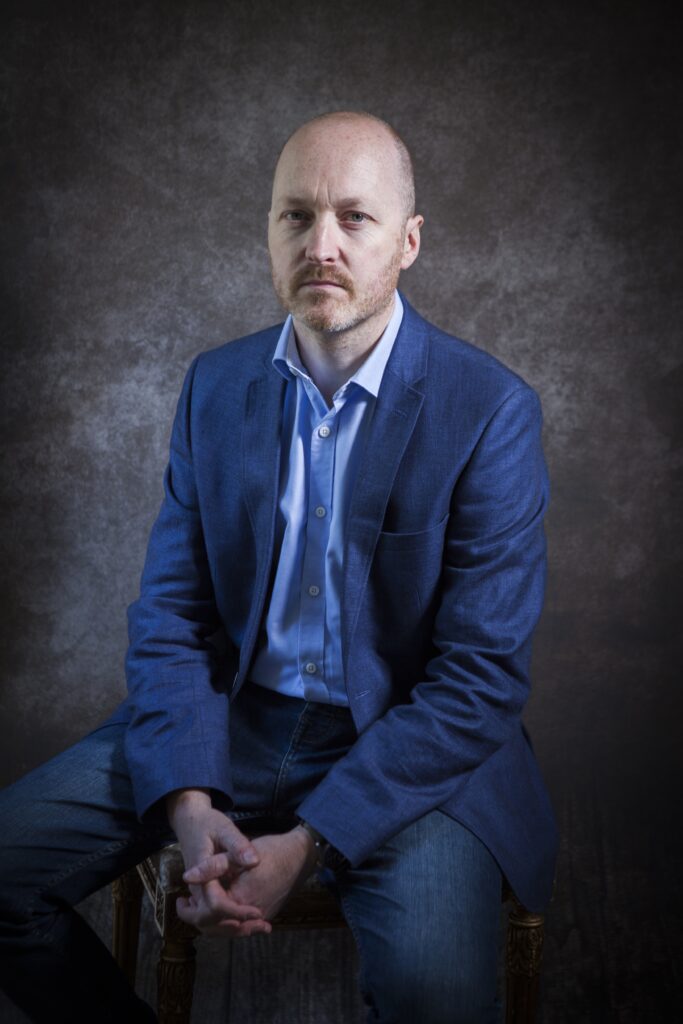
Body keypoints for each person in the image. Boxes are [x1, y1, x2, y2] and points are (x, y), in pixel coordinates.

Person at [0, 111, 557, 1023]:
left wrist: (310, 842)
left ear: (409, 241)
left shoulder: (489, 410)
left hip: (410, 751)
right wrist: (185, 799)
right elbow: (172, 616)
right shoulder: (216, 387)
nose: (321, 245)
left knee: (435, 997)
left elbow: (479, 677)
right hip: (235, 720)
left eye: (354, 218)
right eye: (294, 217)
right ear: (267, 231)